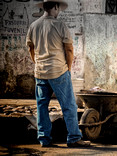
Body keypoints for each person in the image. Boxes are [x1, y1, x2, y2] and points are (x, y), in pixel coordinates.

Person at [26, 0, 90, 147]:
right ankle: (74, 138)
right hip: (58, 72)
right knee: (69, 106)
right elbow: (69, 49)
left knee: (42, 106)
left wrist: (38, 64)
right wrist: (67, 68)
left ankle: (44, 139)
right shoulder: (59, 25)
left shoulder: (33, 26)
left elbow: (31, 49)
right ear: (55, 7)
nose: (59, 10)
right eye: (59, 8)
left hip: (40, 73)